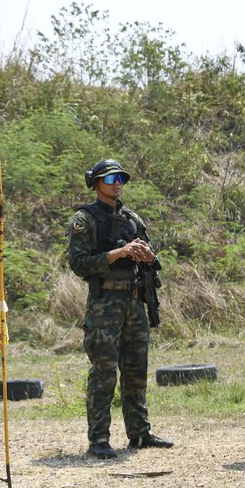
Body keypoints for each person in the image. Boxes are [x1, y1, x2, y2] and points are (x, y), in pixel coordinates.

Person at [67, 159, 173, 460]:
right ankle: (99, 439)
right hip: (105, 304)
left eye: (121, 179)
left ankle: (139, 433)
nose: (117, 184)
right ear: (96, 183)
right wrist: (118, 253)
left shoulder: (132, 219)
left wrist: (148, 257)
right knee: (103, 372)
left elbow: (153, 261)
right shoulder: (84, 219)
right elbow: (79, 264)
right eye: (111, 178)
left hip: (134, 302)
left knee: (136, 370)